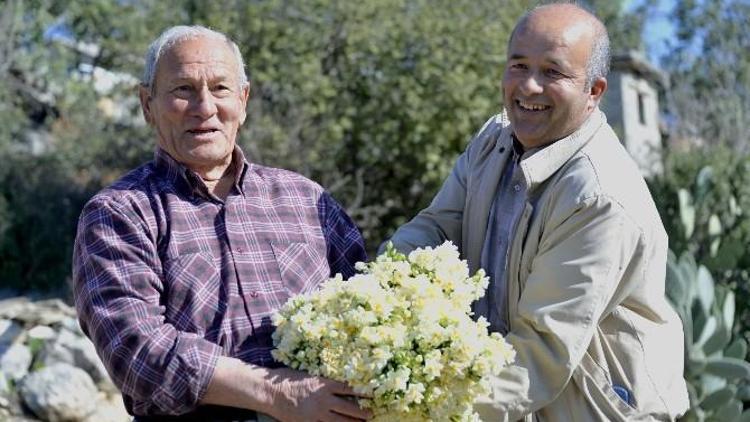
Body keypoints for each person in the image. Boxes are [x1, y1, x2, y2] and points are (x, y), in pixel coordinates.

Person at [385, 4, 689, 421]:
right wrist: (377, 290)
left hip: (595, 409)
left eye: (553, 72)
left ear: (594, 91)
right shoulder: (494, 139)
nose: (529, 86)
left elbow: (542, 352)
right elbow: (439, 227)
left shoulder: (598, 196)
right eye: (519, 65)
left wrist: (417, 405)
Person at [73, 25, 371, 422]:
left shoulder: (307, 200)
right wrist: (275, 393)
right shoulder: (119, 213)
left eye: (220, 88)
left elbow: (367, 309)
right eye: (183, 90)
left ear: (243, 101)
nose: (205, 107)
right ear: (147, 104)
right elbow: (136, 351)